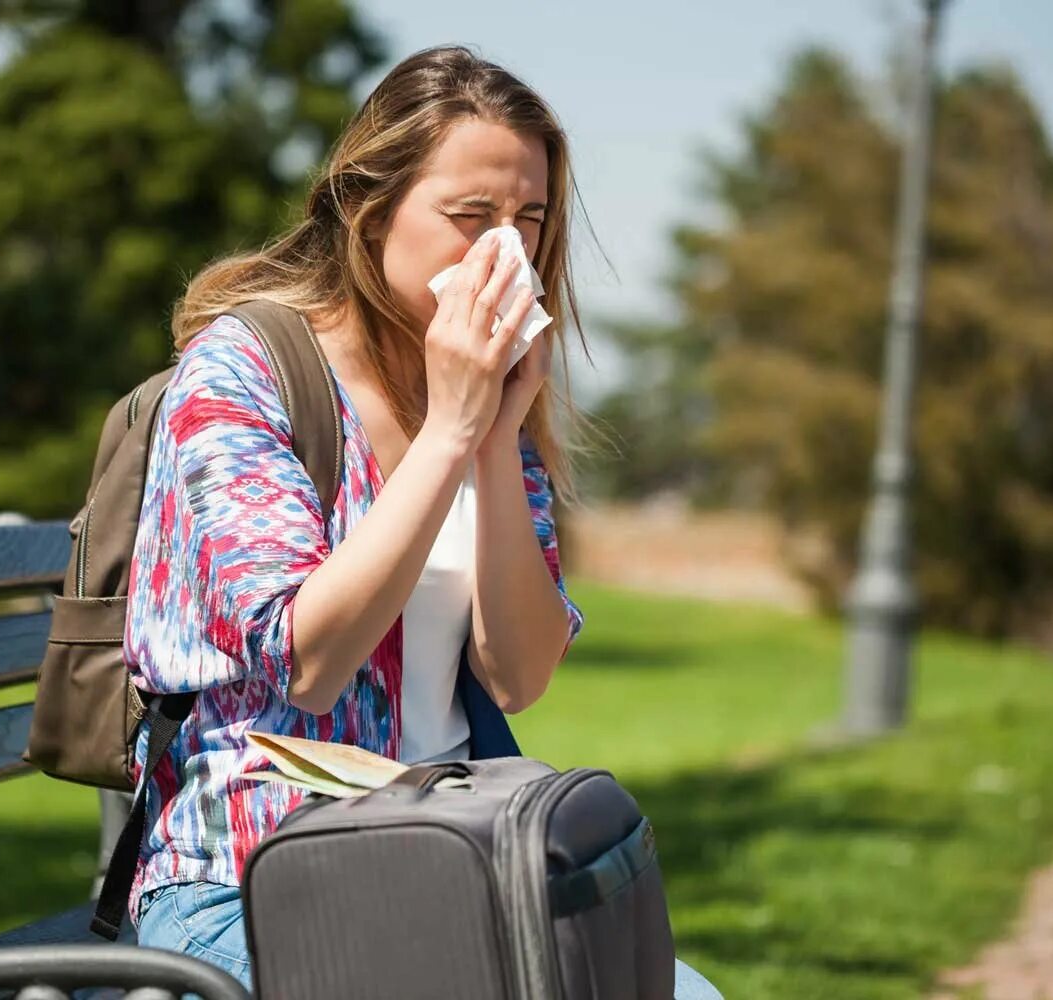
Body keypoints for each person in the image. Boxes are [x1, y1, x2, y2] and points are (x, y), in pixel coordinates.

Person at [124, 43, 722, 1000]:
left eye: (529, 219)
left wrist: (492, 435)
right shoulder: (243, 373)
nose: (507, 253)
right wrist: (449, 431)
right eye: (470, 218)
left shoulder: (479, 396)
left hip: (454, 850)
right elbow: (312, 666)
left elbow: (519, 678)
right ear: (370, 212)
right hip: (253, 874)